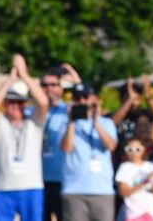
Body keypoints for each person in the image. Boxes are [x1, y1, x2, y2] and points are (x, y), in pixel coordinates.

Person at [0, 54, 49, 221]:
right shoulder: (0, 124)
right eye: (11, 102)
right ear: (5, 104)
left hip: (31, 187)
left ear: (25, 105)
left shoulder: (33, 123)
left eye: (20, 102)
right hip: (3, 188)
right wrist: (10, 79)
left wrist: (24, 75)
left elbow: (43, 103)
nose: (16, 106)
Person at [60, 83, 118, 221]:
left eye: (85, 97)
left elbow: (111, 146)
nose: (81, 101)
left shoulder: (106, 122)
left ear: (94, 99)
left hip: (102, 190)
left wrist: (96, 121)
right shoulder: (65, 123)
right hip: (74, 190)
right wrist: (71, 121)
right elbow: (66, 148)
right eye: (77, 98)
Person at [40, 63, 81, 221]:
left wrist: (75, 80)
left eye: (54, 85)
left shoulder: (67, 110)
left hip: (64, 180)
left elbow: (85, 98)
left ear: (61, 88)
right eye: (45, 85)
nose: (49, 88)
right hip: (38, 181)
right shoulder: (32, 111)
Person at [115, 138, 153, 221]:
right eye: (130, 149)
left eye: (137, 149)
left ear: (143, 150)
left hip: (151, 212)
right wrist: (144, 181)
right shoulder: (124, 167)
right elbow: (123, 192)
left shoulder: (151, 166)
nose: (134, 152)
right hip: (133, 213)